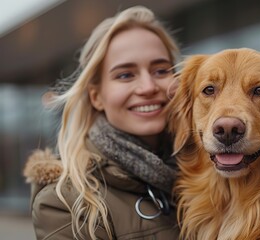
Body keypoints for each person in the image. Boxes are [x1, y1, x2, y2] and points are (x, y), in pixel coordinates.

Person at [23, 6, 180, 240]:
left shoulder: (212, 173)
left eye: (160, 70)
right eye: (125, 75)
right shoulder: (63, 202)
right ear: (96, 96)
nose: (148, 87)